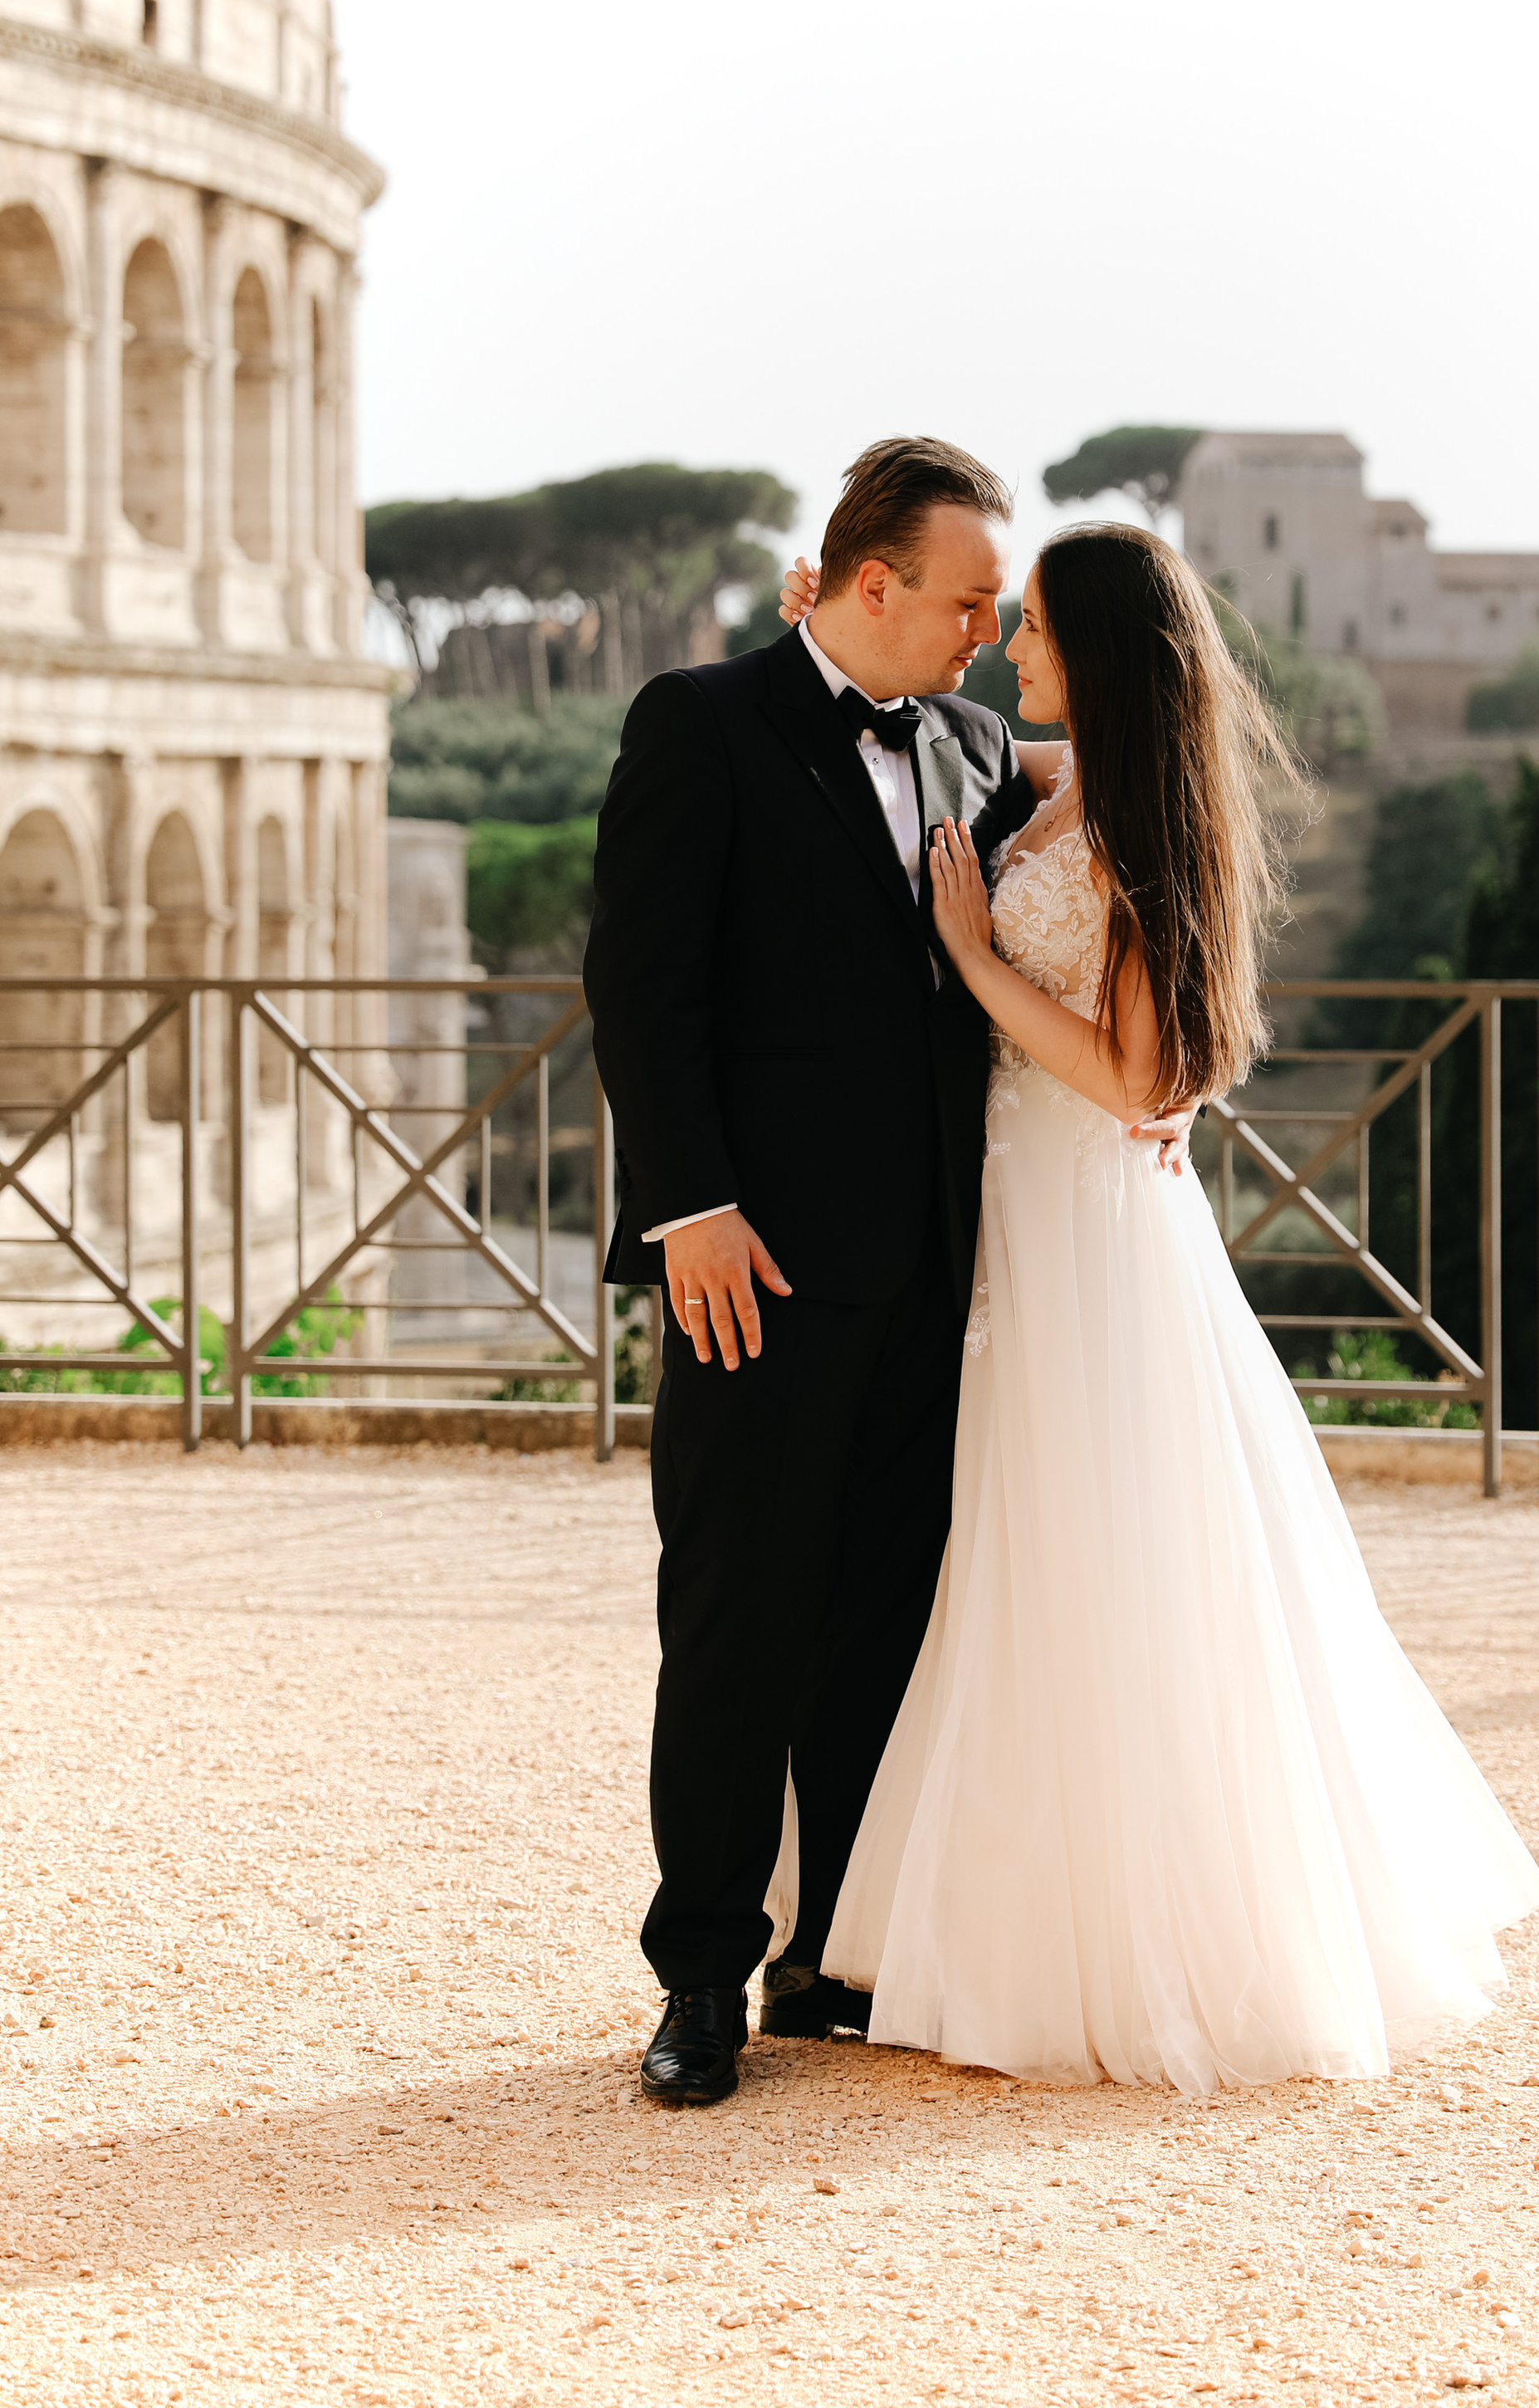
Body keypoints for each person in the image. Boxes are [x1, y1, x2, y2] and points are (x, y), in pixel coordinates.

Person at [785, 524, 1539, 2090]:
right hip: (1013, 1202)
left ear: (1106, 650)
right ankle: (977, 1926)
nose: (1014, 648)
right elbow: (935, 738)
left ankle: (1121, 1947)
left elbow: (1140, 1073)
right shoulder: (1052, 774)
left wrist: (970, 956)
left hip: (1083, 1219)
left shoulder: (1140, 823)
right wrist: (814, 619)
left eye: (1044, 628)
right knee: (1008, 1550)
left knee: (1098, 1555)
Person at [582, 439, 1193, 2107]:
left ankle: (830, 1959)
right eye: (968, 600)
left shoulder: (990, 749)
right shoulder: (697, 725)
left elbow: (1140, 848)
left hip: (948, 1279)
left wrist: (1169, 1075)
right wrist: (687, 1205)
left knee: (881, 1633)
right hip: (750, 1275)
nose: (989, 632)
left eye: (1006, 607)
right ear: (871, 588)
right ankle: (698, 1977)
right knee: (731, 1629)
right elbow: (642, 993)